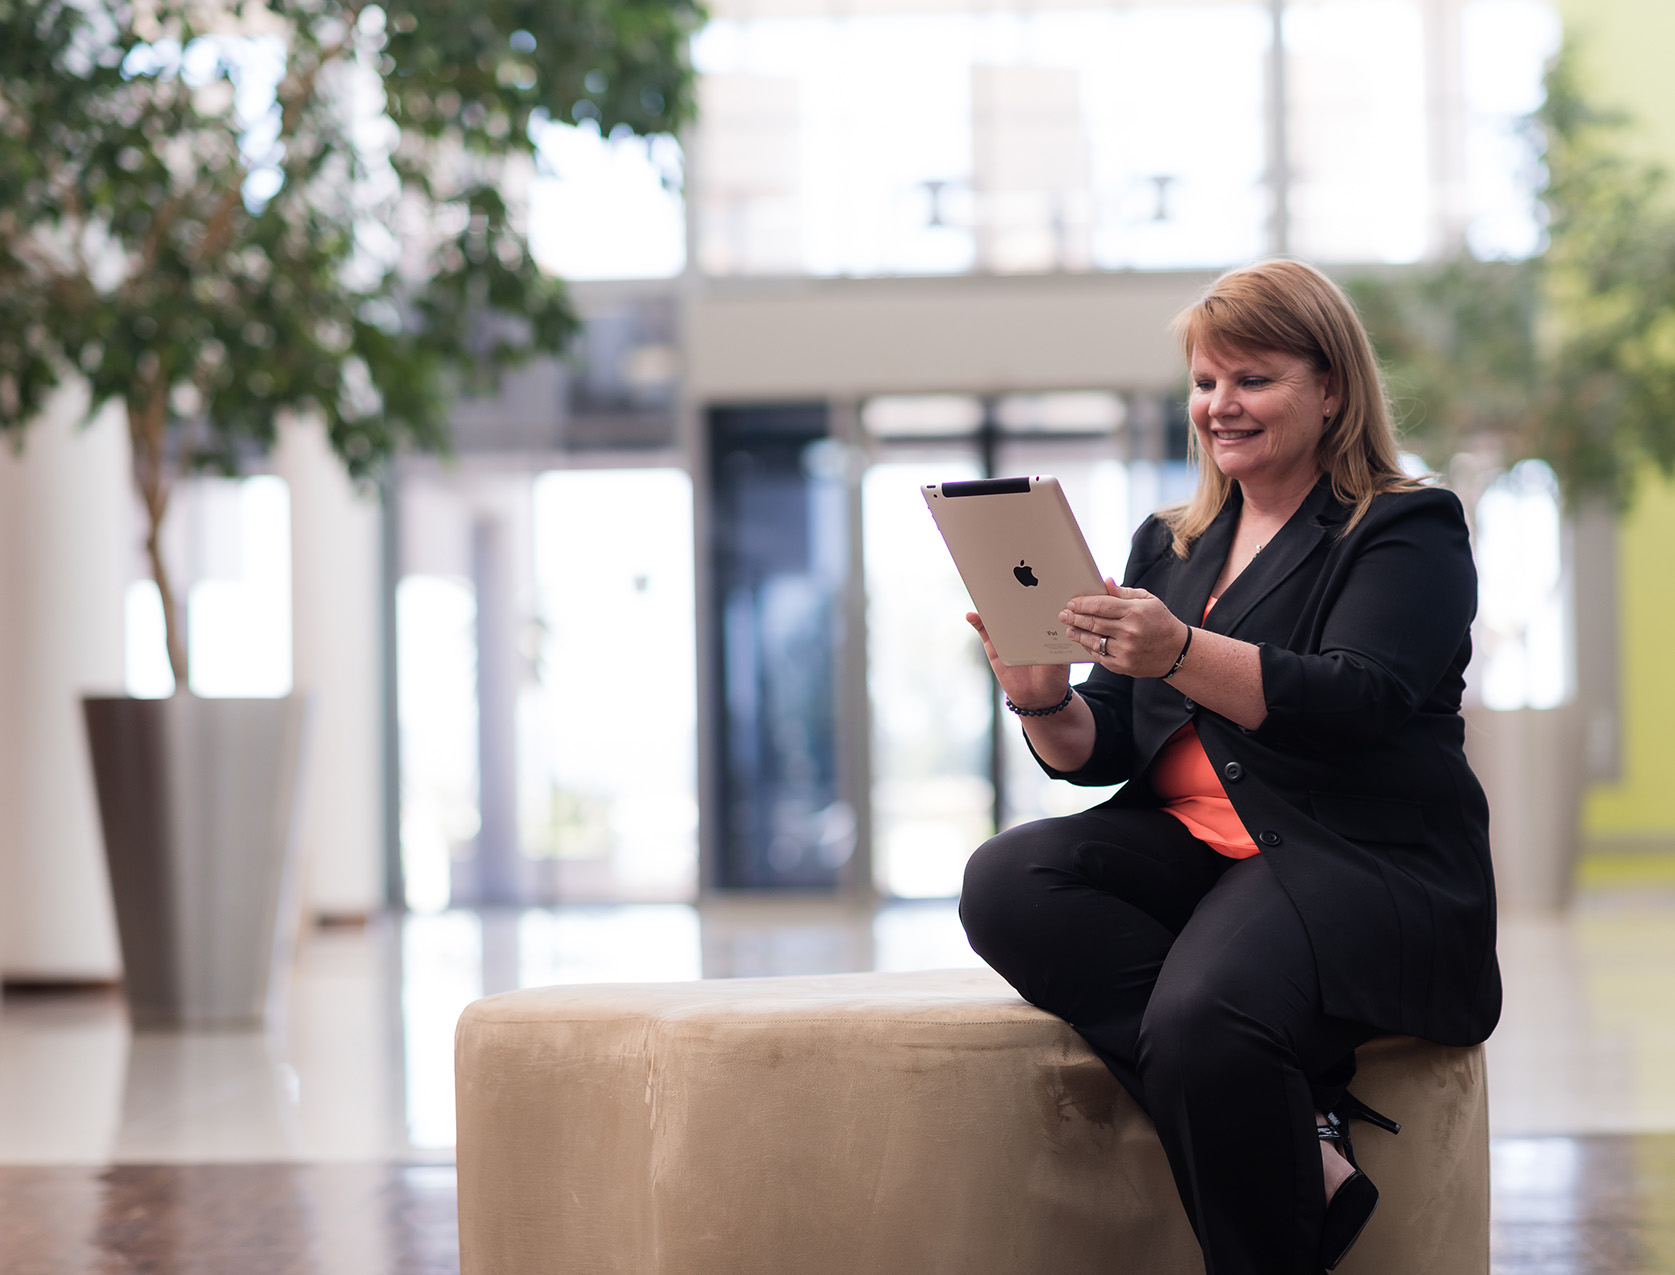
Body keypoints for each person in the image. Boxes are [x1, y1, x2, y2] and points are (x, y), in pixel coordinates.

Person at [958, 258, 1501, 1275]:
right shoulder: (1173, 544)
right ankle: (1300, 1122)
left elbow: (1357, 700)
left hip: (1348, 855)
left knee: (1202, 1016)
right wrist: (1040, 697)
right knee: (1006, 878)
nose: (1220, 405)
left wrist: (1175, 650)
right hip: (1199, 851)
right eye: (1205, 382)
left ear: (1329, 388)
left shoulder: (1402, 526)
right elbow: (1108, 740)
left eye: (1253, 379)